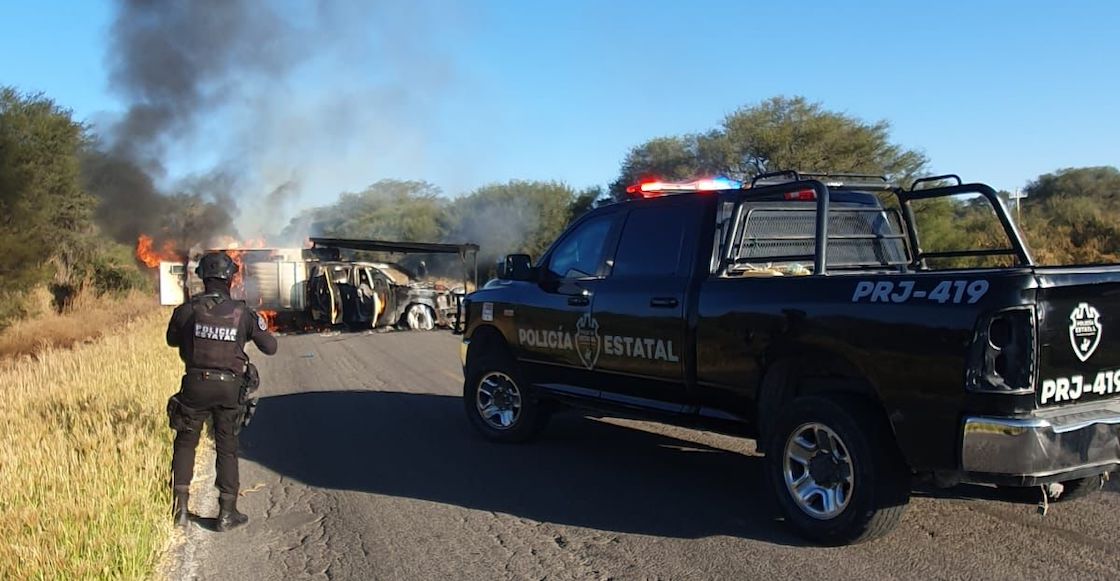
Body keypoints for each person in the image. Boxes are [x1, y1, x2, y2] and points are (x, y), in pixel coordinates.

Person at [166, 251, 278, 531]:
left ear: (203, 278)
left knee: (185, 442)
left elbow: (171, 340)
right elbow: (270, 347)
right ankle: (227, 513)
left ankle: (180, 511)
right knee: (227, 447)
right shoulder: (244, 313)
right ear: (231, 279)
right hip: (230, 388)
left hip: (195, 385)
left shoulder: (187, 310)